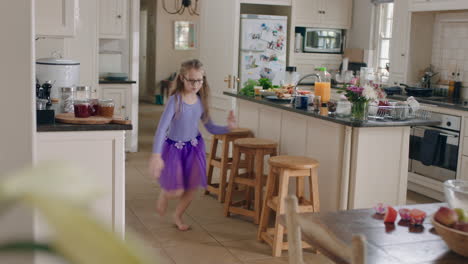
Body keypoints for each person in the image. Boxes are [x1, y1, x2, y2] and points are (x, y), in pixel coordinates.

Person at [149, 59, 237, 231]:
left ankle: (177, 216)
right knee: (176, 191)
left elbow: (210, 127)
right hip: (175, 149)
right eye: (192, 80)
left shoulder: (200, 101)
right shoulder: (175, 101)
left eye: (199, 80)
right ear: (182, 78)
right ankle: (165, 194)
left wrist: (228, 128)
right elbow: (161, 129)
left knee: (191, 188)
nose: (196, 84)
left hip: (194, 148)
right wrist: (156, 155)